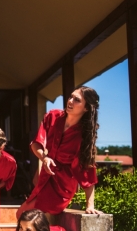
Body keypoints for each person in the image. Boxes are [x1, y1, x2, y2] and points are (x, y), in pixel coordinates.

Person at [17, 86, 103, 218]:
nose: (70, 101)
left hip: (62, 186)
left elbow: (87, 173)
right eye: (71, 97)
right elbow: (35, 144)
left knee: (25, 216)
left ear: (86, 108)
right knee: (22, 216)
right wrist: (44, 158)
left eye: (77, 100)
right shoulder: (53, 116)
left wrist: (90, 205)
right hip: (45, 177)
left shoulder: (83, 136)